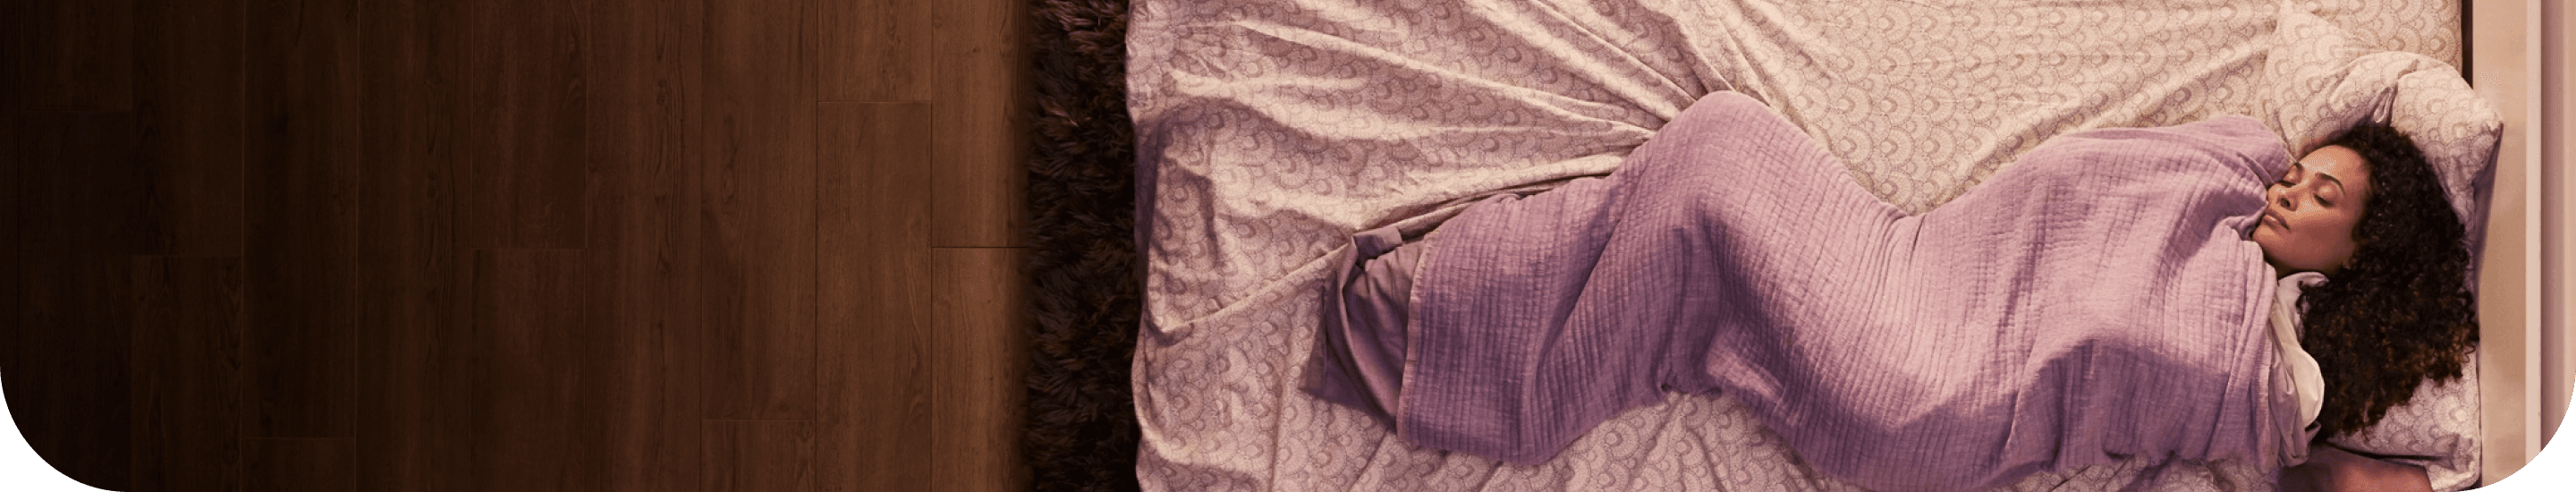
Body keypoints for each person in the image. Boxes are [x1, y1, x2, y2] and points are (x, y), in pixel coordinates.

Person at [1311, 120, 2479, 491]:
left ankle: (1450, 341)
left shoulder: (2278, 373)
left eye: (2320, 193)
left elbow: (2348, 468)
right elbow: (2196, 169)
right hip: (1916, 276)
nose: (2283, 185)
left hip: (1932, 387)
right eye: (2297, 170)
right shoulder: (2231, 213)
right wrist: (2296, 177)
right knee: (1724, 151)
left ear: (2360, 254)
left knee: (1715, 180)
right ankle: (1467, 312)